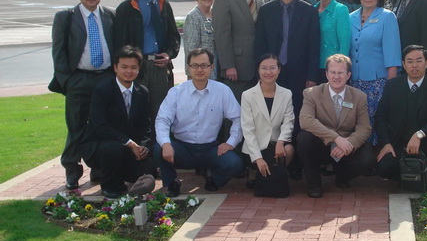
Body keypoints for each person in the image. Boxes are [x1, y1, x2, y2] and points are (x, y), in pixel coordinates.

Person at [51, 0, 115, 189]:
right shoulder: (66, 18)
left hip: (106, 78)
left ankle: (99, 167)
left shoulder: (110, 15)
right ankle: (72, 170)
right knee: (76, 127)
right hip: (79, 79)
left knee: (103, 126)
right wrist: (67, 81)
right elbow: (59, 52)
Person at [155, 48, 244, 197]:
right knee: (159, 148)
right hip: (182, 148)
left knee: (235, 164)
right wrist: (166, 143)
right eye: (195, 65)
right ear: (188, 67)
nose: (199, 70)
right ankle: (172, 183)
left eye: (204, 65)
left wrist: (231, 142)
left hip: (210, 149)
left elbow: (238, 118)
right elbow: (162, 120)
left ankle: (213, 180)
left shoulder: (222, 91)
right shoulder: (176, 92)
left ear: (212, 67)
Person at [375, 45, 427, 196]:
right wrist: (386, 143)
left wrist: (420, 134)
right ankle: (410, 178)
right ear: (403, 64)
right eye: (409, 61)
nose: (414, 65)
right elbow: (381, 116)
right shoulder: (392, 85)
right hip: (400, 143)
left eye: (419, 61)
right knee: (384, 168)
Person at [80, 46, 157, 198]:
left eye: (133, 67)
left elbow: (145, 125)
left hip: (129, 147)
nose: (129, 71)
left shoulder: (142, 92)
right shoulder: (103, 90)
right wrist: (130, 143)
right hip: (101, 145)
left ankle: (122, 175)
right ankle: (109, 186)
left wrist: (143, 147)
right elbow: (101, 127)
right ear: (115, 68)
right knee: (114, 149)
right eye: (124, 67)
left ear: (139, 69)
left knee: (149, 169)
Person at [298, 54, 376, 198]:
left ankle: (342, 176)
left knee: (368, 159)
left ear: (348, 75)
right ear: (326, 74)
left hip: (346, 145)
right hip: (322, 142)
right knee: (304, 139)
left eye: (341, 73)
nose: (336, 76)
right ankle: (314, 184)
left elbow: (364, 127)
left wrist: (349, 143)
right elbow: (306, 121)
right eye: (333, 72)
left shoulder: (359, 97)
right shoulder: (311, 93)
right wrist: (335, 138)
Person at [114, 0, 180, 124]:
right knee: (137, 112)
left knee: (161, 113)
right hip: (138, 67)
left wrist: (169, 55)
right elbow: (119, 42)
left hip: (160, 66)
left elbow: (174, 36)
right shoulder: (126, 7)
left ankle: (159, 141)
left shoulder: (163, 4)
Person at [254, 0, 320, 129]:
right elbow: (260, 44)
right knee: (272, 114)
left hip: (299, 74)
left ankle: (293, 144)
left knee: (296, 114)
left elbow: (314, 46)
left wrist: (312, 76)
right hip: (271, 72)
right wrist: (261, 72)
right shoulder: (266, 11)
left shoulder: (309, 12)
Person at [349, 0, 401, 143]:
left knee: (377, 122)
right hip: (354, 82)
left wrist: (391, 86)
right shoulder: (350, 17)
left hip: (378, 83)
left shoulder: (387, 17)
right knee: (358, 122)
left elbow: (392, 53)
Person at [212, 0, 270, 102]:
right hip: (236, 70)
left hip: (261, 70)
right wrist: (228, 66)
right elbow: (222, 35)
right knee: (235, 112)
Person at [241, 54, 295, 188]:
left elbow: (289, 122)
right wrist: (258, 158)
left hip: (275, 147)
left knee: (289, 149)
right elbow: (247, 129)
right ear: (258, 70)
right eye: (264, 68)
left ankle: (277, 174)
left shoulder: (287, 94)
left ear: (279, 70)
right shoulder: (247, 95)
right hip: (255, 149)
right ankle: (255, 170)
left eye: (272, 68)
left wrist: (281, 141)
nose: (268, 72)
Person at [313, 0, 350, 83]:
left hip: (334, 71)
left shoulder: (340, 10)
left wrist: (339, 71)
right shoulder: (312, 10)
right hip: (315, 68)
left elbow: (344, 45)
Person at [183, 0, 218, 80]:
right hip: (200, 72)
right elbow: (191, 50)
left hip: (216, 70)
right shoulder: (193, 17)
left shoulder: (216, 14)